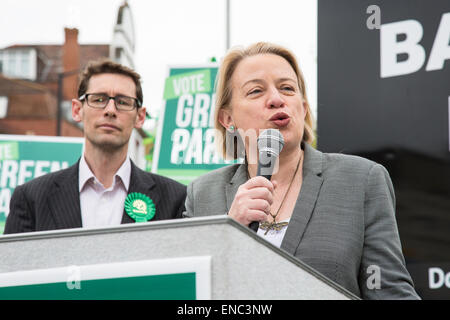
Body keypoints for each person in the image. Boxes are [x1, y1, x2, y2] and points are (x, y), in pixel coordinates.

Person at [184, 42, 420, 299]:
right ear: (228, 119)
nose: (276, 99)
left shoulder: (362, 180)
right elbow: (188, 291)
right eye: (255, 91)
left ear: (303, 108)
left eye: (287, 88)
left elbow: (391, 292)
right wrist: (228, 229)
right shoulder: (203, 194)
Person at [5, 59, 186, 234]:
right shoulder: (32, 199)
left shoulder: (175, 200)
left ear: (140, 116)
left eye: (123, 102)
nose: (110, 110)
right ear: (77, 110)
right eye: (99, 99)